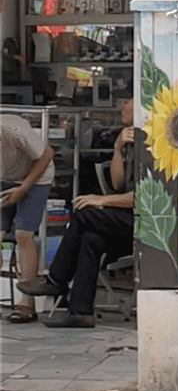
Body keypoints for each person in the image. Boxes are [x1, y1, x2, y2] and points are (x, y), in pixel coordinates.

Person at [20, 98, 135, 328]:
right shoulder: (130, 138)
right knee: (91, 238)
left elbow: (143, 199)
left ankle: (57, 279)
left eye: (127, 101)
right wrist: (117, 148)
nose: (121, 105)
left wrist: (101, 200)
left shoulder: (154, 145)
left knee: (84, 213)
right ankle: (80, 311)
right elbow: (118, 184)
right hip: (128, 221)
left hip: (147, 224)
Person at [0, 114, 55, 323]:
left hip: (37, 177)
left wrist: (23, 188)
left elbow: (47, 153)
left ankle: (27, 301)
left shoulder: (14, 130)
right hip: (4, 177)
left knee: (23, 234)